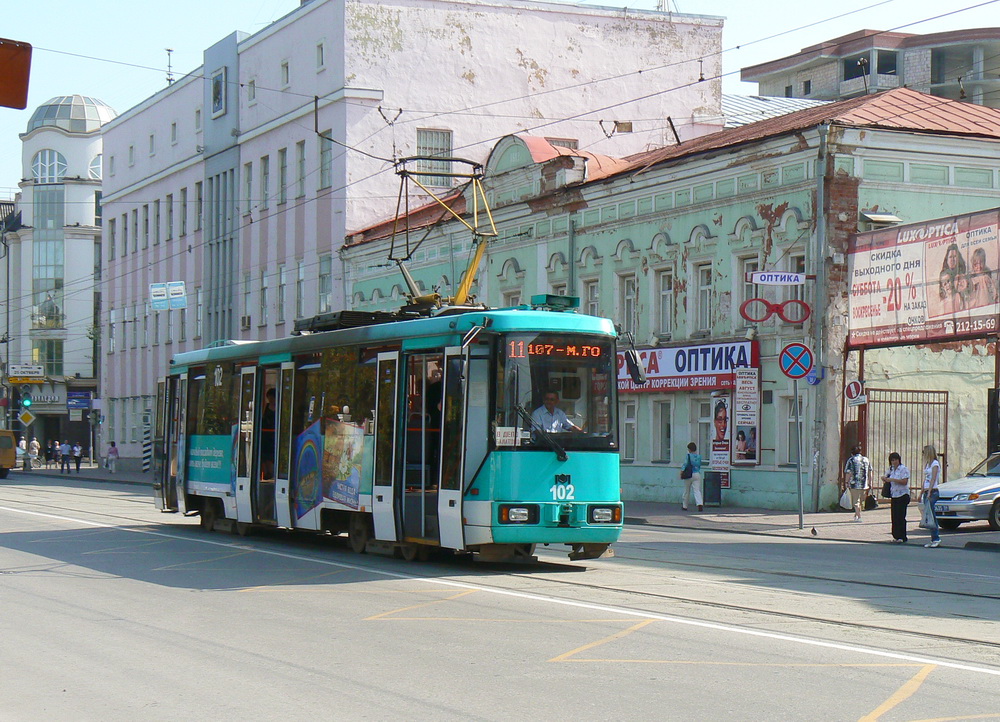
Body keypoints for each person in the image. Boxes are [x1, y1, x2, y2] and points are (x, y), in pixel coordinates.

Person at [882, 452, 911, 543]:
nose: (894, 462)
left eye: (895, 460)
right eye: (892, 460)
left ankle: (902, 536)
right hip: (894, 494)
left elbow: (904, 482)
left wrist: (893, 480)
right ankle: (896, 536)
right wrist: (884, 478)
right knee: (894, 516)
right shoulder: (891, 469)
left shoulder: (903, 469)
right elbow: (886, 476)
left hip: (902, 495)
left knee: (901, 516)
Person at [843, 445, 872, 522]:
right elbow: (870, 472)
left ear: (852, 453)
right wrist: (870, 482)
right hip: (864, 484)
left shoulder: (851, 460)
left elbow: (848, 472)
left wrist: (846, 482)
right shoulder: (866, 459)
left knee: (856, 502)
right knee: (861, 501)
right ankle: (856, 515)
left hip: (854, 484)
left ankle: (859, 517)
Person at [921, 444, 942, 548]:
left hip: (932, 491)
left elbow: (933, 479)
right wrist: (922, 491)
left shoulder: (935, 464)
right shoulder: (928, 465)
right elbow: (926, 479)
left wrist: (929, 491)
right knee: (928, 516)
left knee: (931, 515)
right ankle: (933, 538)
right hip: (926, 491)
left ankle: (936, 538)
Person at [681, 442, 703, 512]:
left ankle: (685, 506)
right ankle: (699, 503)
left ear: (690, 449)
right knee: (697, 490)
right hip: (697, 474)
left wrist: (681, 472)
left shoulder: (688, 456)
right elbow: (699, 465)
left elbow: (685, 464)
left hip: (689, 474)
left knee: (686, 491)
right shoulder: (699, 456)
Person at [260, 388, 277, 480]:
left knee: (271, 455)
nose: (270, 400)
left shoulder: (279, 407)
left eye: (272, 398)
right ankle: (265, 472)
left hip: (274, 434)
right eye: (269, 398)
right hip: (265, 434)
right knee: (264, 454)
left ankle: (271, 472)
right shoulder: (265, 407)